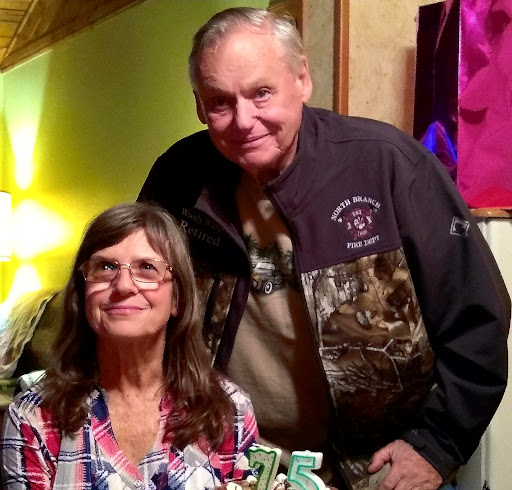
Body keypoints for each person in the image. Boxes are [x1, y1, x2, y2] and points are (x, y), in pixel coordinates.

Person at [137, 7, 510, 490]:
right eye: (220, 102)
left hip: (375, 467)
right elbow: (140, 305)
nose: (243, 121)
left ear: (302, 80)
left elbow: (477, 319)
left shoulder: (389, 166)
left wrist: (437, 445)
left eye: (261, 93)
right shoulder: (178, 177)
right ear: (198, 105)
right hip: (229, 462)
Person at [0, 202, 258, 489]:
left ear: (178, 298)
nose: (123, 285)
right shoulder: (32, 417)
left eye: (147, 268)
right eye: (105, 266)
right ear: (83, 293)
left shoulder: (230, 411)